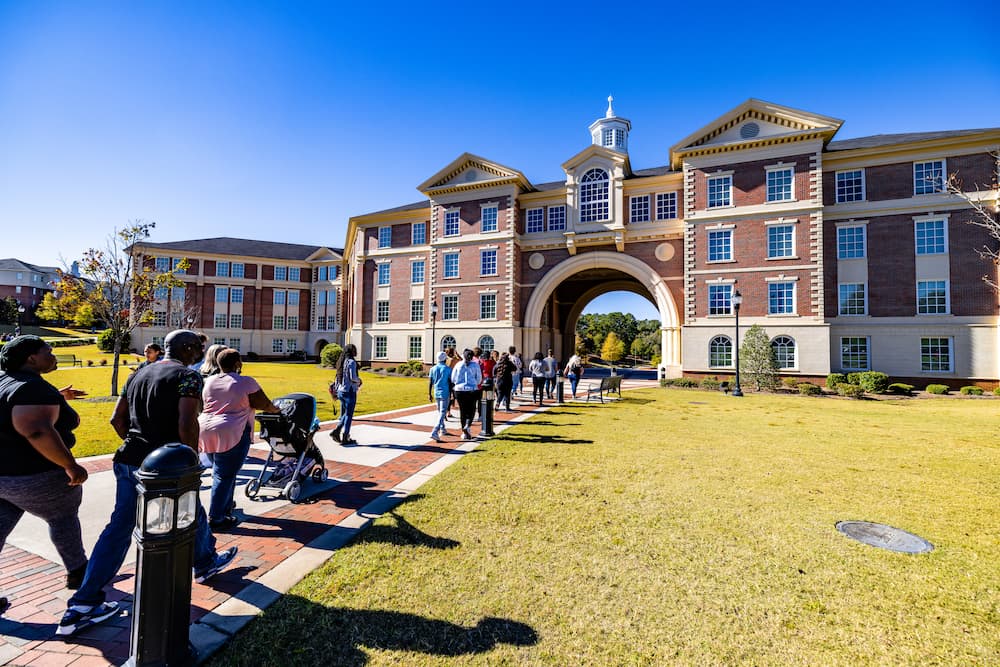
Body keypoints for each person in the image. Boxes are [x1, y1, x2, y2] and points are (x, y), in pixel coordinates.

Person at [58, 329, 238, 637]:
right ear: (188, 348)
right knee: (186, 506)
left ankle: (84, 602)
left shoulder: (138, 374)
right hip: (167, 464)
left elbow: (117, 420)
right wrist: (191, 460)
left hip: (129, 459)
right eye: (197, 348)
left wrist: (138, 443)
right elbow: (186, 422)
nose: (198, 353)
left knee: (123, 526)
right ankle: (205, 561)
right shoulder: (187, 376)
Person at [0, 336, 90, 616]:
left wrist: (58, 398)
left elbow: (11, 412)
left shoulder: (6, 382)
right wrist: (71, 465)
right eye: (48, 352)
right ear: (31, 358)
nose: (53, 356)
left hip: (4, 478)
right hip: (38, 475)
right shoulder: (33, 390)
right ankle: (80, 576)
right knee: (62, 519)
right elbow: (37, 430)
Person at [199, 348, 279, 530]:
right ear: (237, 364)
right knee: (224, 474)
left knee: (224, 473)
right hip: (231, 431)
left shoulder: (209, 381)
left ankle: (226, 507)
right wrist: (277, 410)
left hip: (205, 430)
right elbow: (264, 404)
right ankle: (217, 518)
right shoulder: (245, 382)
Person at [331, 343, 362, 445]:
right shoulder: (351, 362)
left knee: (345, 414)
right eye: (354, 349)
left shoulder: (341, 362)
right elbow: (353, 377)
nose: (355, 351)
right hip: (349, 391)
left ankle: (337, 431)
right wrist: (359, 381)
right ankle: (345, 436)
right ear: (352, 351)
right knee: (349, 415)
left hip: (340, 391)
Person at [450, 349, 482, 440]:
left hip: (459, 390)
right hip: (472, 389)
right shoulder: (475, 365)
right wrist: (474, 383)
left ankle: (464, 431)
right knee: (471, 410)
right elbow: (479, 379)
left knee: (462, 411)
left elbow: (453, 378)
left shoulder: (458, 364)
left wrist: (458, 383)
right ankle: (467, 425)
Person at [427, 352, 451, 442]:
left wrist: (429, 394)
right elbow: (450, 382)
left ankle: (442, 429)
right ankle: (435, 430)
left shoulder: (433, 369)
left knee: (439, 411)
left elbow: (430, 382)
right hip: (445, 392)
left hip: (436, 391)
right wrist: (452, 393)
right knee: (442, 412)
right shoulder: (448, 369)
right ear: (445, 359)